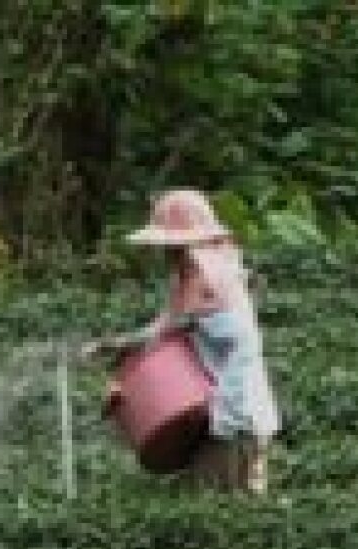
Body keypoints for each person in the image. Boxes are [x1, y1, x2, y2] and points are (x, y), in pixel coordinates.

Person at [86, 188, 280, 494]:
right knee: (213, 496)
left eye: (172, 244)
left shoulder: (209, 276)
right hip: (216, 413)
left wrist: (120, 349)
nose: (167, 252)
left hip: (237, 416)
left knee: (224, 501)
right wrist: (117, 347)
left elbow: (175, 331)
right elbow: (167, 328)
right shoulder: (194, 274)